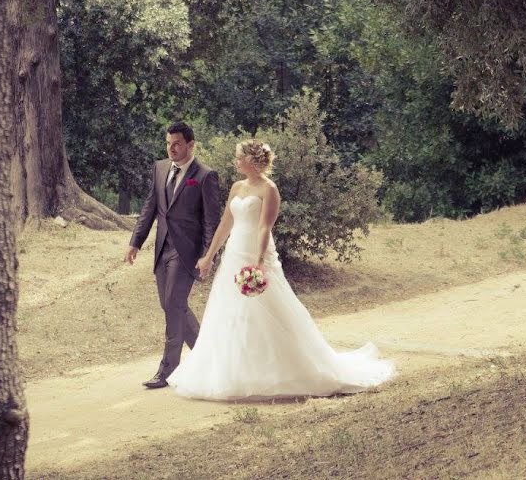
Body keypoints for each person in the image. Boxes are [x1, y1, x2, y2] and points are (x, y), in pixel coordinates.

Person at [167, 139, 395, 400]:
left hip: (255, 253)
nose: (236, 161)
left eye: (239, 157)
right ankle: (233, 373)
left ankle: (283, 371)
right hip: (233, 254)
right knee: (230, 311)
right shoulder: (237, 187)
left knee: (266, 310)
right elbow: (225, 225)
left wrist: (259, 262)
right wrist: (209, 256)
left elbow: (265, 227)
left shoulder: (269, 189)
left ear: (252, 160)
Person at [124, 122, 220, 389]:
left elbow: (212, 220)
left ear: (191, 145)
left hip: (187, 253)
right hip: (161, 249)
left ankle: (167, 370)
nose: (171, 148)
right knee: (171, 306)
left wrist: (209, 255)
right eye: (168, 143)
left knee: (173, 302)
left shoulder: (205, 176)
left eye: (177, 143)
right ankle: (208, 357)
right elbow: (150, 207)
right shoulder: (160, 168)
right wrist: (135, 242)